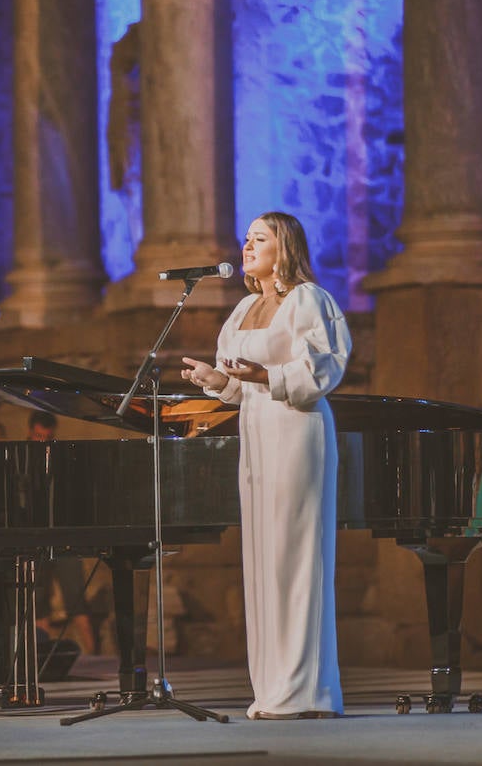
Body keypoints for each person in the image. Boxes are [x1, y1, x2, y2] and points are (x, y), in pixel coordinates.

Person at [181, 211, 351, 719]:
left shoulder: (308, 300)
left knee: (295, 557)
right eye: (247, 238)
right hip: (256, 432)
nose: (248, 245)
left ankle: (308, 692)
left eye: (260, 238)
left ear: (285, 247)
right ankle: (273, 689)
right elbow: (241, 385)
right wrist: (217, 381)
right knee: (262, 560)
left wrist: (264, 374)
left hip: (297, 430)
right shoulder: (244, 309)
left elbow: (323, 365)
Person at [28, 410, 97, 652]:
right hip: (35, 538)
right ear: (31, 433)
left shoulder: (62, 459)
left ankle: (92, 654)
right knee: (38, 599)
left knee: (76, 596)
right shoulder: (23, 459)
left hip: (63, 537)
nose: (43, 442)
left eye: (47, 437)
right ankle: (43, 651)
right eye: (38, 436)